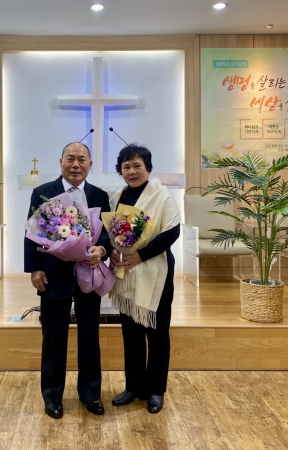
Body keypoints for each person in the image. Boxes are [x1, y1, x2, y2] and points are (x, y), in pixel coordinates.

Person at [24, 142, 111, 419]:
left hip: (89, 275)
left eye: (81, 160)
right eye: (70, 159)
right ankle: (52, 396)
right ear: (60, 161)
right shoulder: (43, 192)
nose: (76, 165)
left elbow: (106, 234)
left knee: (90, 336)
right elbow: (31, 232)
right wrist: (35, 269)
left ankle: (91, 394)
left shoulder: (99, 195)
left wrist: (101, 250)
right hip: (53, 275)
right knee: (53, 337)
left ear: (90, 164)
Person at [108, 144, 181, 414]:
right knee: (131, 332)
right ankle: (134, 386)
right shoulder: (117, 197)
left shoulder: (161, 196)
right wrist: (113, 253)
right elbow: (112, 233)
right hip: (126, 272)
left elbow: (171, 232)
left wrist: (141, 255)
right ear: (120, 171)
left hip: (155, 270)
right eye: (126, 166)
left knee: (157, 333)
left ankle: (156, 390)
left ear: (148, 168)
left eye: (137, 165)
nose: (132, 171)